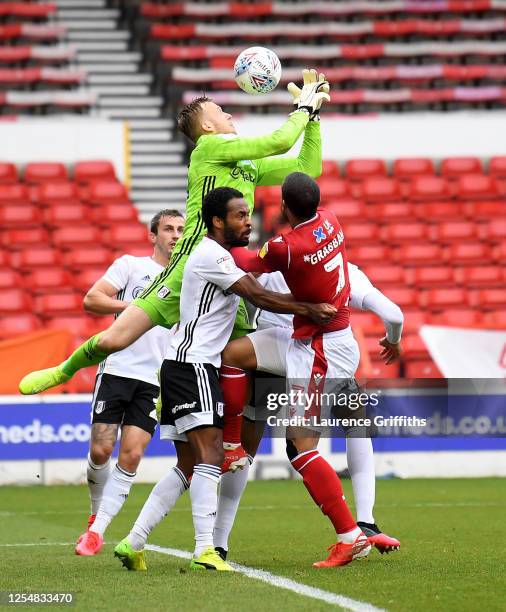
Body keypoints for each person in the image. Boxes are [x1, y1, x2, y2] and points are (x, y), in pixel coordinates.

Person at [18, 70, 330, 400]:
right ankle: (63, 370)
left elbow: (309, 169)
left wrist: (313, 119)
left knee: (240, 359)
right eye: (220, 112)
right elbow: (278, 141)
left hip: (228, 269)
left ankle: (225, 437)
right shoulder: (209, 148)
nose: (229, 114)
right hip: (188, 266)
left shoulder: (247, 165)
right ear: (208, 127)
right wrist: (302, 109)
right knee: (115, 340)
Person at [113, 186, 337, 572]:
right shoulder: (211, 255)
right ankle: (205, 549)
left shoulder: (218, 254)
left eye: (247, 213)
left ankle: (133, 542)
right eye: (238, 215)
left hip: (183, 365)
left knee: (188, 464)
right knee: (213, 456)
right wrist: (308, 308)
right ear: (217, 222)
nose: (248, 220)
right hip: (193, 365)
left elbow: (257, 283)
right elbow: (256, 294)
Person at [231, 171, 376, 567]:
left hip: (319, 347)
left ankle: (351, 535)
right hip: (322, 338)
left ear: (284, 207)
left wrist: (212, 246)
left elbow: (246, 261)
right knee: (233, 354)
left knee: (300, 447)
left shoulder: (285, 246)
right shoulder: (330, 220)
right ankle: (233, 444)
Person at [213, 264, 403, 561]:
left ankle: (218, 543)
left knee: (246, 448)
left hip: (269, 354)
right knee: (356, 422)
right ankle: (366, 522)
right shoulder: (346, 270)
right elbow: (393, 314)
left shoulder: (278, 257)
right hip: (325, 355)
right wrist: (394, 338)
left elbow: (241, 288)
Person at [75, 210, 185, 556]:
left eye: (181, 229)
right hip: (118, 370)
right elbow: (92, 299)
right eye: (168, 229)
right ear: (153, 235)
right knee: (100, 449)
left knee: (132, 454)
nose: (175, 235)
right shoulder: (130, 266)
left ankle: (98, 531)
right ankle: (95, 513)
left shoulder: (189, 276)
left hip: (154, 380)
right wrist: (138, 308)